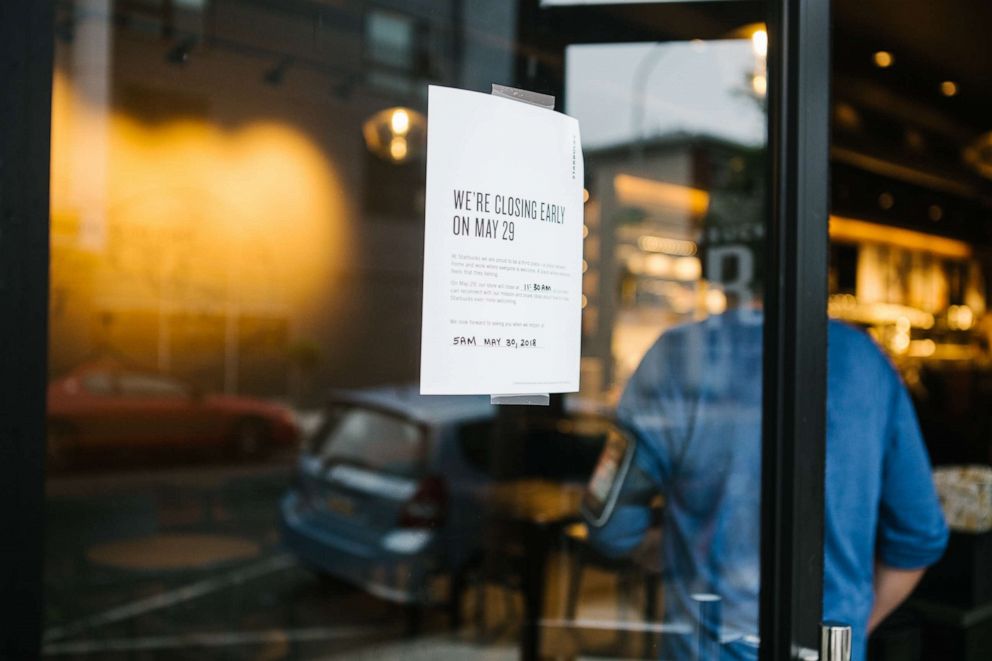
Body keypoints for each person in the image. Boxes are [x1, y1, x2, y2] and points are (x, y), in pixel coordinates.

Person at [585, 308, 949, 661]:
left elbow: (611, 526)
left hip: (705, 647)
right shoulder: (866, 361)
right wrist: (852, 632)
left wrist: (678, 547)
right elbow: (918, 536)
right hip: (827, 649)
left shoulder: (680, 353)